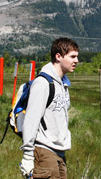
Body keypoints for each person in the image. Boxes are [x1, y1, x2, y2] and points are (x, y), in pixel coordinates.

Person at [20, 37, 79, 179]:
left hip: (60, 151)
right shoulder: (43, 84)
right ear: (58, 56)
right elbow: (31, 120)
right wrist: (28, 155)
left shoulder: (63, 84)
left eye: (77, 57)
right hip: (44, 151)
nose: (76, 61)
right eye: (72, 56)